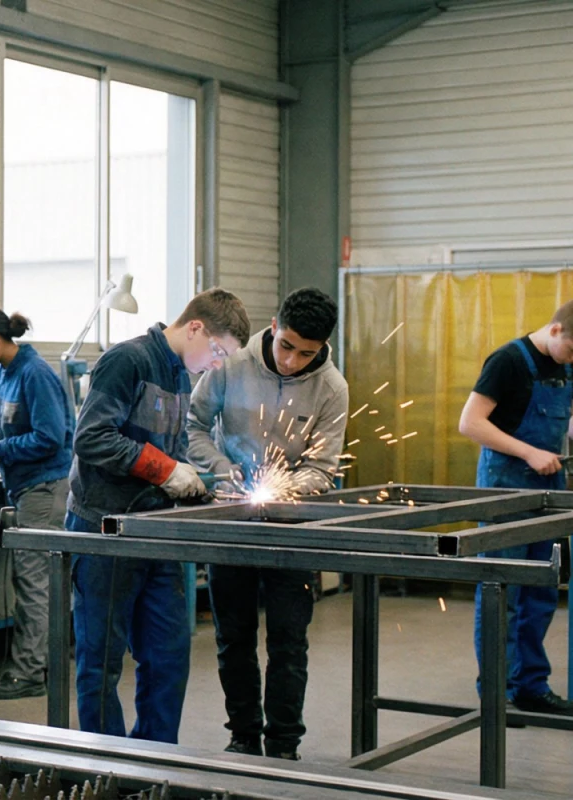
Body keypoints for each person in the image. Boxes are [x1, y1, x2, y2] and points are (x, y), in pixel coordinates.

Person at [66, 288, 250, 744]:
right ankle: (106, 763)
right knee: (101, 661)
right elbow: (91, 438)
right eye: (218, 352)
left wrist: (200, 481)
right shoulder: (127, 361)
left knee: (168, 656)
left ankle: (155, 758)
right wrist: (165, 469)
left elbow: (173, 448)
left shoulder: (180, 376)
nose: (217, 364)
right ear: (195, 328)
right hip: (106, 530)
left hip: (155, 531)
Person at [186, 287, 348, 759]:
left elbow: (323, 467)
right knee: (233, 637)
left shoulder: (332, 388)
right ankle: (242, 734)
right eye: (286, 346)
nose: (292, 361)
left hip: (292, 526)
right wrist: (220, 468)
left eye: (306, 354)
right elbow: (194, 426)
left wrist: (288, 488)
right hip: (229, 518)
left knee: (288, 641)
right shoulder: (231, 363)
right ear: (273, 327)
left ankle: (283, 743)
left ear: (322, 348)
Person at [457, 299, 573, 717]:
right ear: (555, 330)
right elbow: (471, 422)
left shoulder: (565, 365)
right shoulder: (507, 361)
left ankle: (530, 687)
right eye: (572, 350)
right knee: (500, 590)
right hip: (505, 486)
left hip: (549, 487)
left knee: (540, 590)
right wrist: (528, 452)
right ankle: (497, 691)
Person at [0, 305, 74, 700]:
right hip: (25, 488)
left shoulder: (35, 372)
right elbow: (14, 407)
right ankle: (43, 661)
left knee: (34, 585)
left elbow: (50, 437)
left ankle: (29, 673)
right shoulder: (7, 369)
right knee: (35, 582)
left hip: (44, 489)